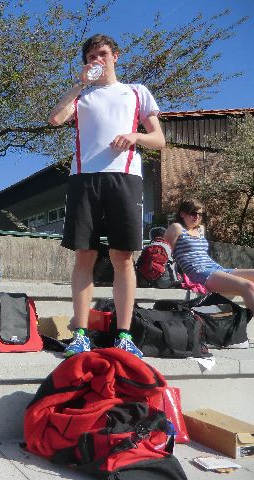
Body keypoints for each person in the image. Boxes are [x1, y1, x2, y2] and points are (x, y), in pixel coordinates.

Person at [47, 34, 166, 358]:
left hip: (124, 178)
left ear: (115, 56)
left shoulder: (136, 92)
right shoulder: (82, 95)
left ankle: (124, 335)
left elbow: (159, 139)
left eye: (102, 54)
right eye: (91, 57)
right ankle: (81, 333)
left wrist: (135, 136)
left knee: (122, 257)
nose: (97, 60)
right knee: (84, 255)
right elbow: (55, 119)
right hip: (84, 179)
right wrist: (79, 84)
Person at [164, 198, 254, 309]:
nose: (197, 217)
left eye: (200, 214)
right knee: (248, 286)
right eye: (193, 213)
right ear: (182, 213)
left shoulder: (199, 230)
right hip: (198, 273)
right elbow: (166, 253)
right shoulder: (176, 228)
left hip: (216, 269)